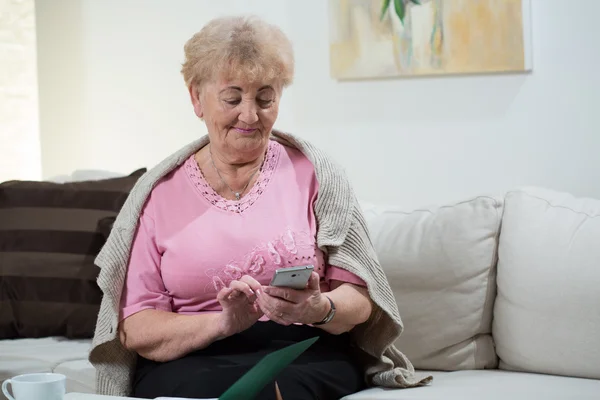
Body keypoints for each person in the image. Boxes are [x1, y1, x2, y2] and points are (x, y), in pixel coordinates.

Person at [88, 15, 431, 400]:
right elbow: (137, 329)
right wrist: (223, 324)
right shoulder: (158, 194)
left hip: (301, 352)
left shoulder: (318, 175)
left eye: (265, 98)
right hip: (191, 356)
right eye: (232, 98)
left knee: (273, 388)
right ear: (196, 98)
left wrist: (317, 308)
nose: (250, 115)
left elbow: (360, 303)